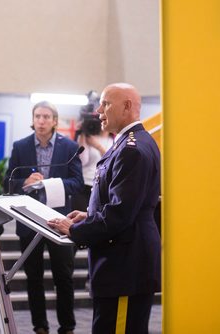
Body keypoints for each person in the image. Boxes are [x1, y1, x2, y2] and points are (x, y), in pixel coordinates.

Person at [48, 83, 161, 334]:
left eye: (106, 103)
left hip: (125, 267)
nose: (99, 110)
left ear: (128, 106)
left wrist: (75, 230)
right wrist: (89, 216)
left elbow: (119, 215)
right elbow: (126, 204)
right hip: (122, 262)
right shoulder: (128, 144)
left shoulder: (133, 150)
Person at [3, 101, 84, 334]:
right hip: (29, 220)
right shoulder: (21, 146)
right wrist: (24, 182)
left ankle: (67, 326)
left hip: (59, 220)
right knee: (34, 276)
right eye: (37, 116)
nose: (41, 120)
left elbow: (77, 182)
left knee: (64, 276)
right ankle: (40, 326)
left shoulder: (69, 148)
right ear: (33, 119)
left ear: (54, 121)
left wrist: (52, 185)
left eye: (46, 116)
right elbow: (9, 181)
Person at [72, 115, 112, 211]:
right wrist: (82, 134)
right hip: (84, 183)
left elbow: (111, 161)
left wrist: (97, 146)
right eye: (102, 119)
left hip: (102, 186)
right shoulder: (88, 138)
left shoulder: (114, 141)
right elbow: (83, 161)